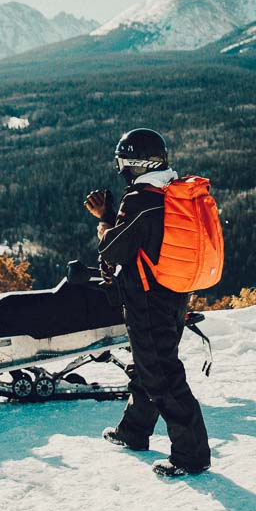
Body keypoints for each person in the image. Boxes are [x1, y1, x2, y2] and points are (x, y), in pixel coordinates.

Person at [84, 128, 212, 477]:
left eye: (122, 163)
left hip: (148, 298)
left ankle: (191, 456)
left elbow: (114, 248)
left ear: (134, 164)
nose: (121, 170)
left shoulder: (141, 199)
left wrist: (105, 220)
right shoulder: (171, 191)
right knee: (148, 366)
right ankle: (134, 430)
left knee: (162, 375)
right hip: (174, 292)